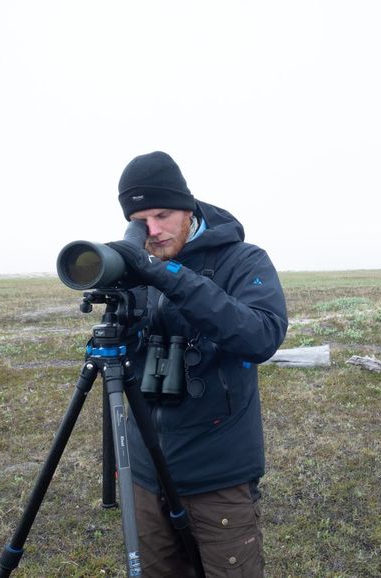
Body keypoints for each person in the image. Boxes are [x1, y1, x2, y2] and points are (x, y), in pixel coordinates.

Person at [107, 151, 288, 577]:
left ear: (188, 207)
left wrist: (167, 274)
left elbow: (261, 336)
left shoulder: (243, 261)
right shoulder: (137, 269)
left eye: (163, 214)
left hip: (217, 474)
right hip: (146, 473)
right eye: (140, 221)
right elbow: (128, 353)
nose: (152, 230)